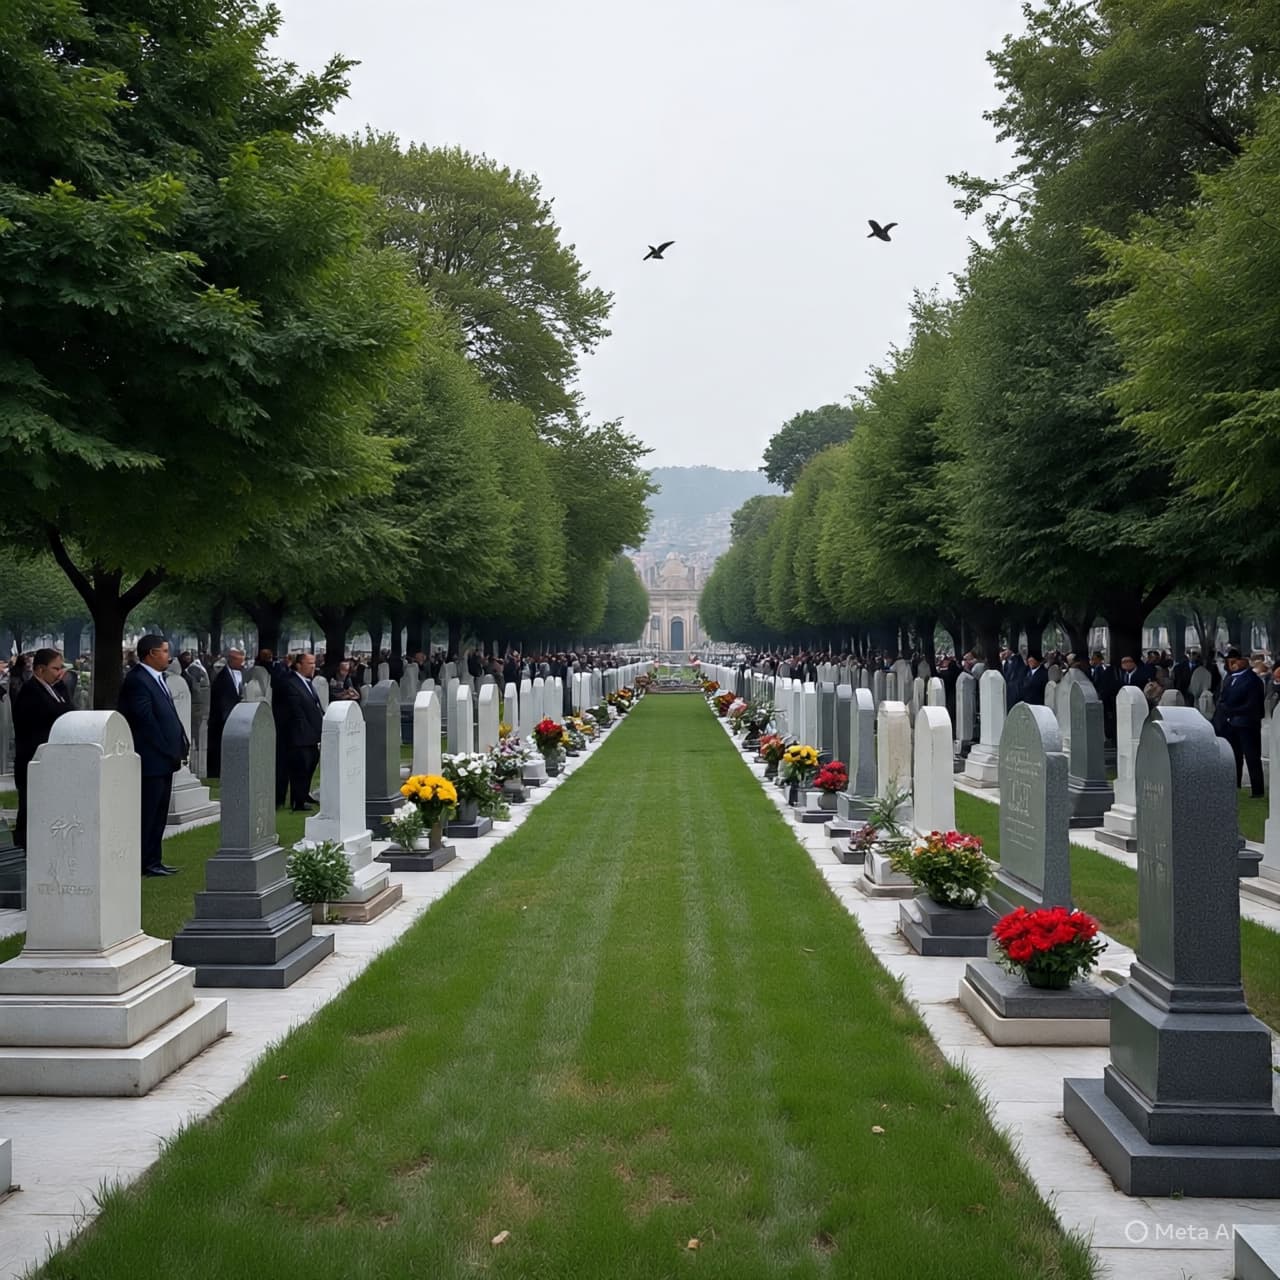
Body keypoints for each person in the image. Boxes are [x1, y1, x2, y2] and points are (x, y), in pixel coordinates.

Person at [118, 635, 187, 876]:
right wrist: (167, 748)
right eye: (165, 651)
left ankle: (154, 860)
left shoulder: (158, 679)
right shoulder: (138, 680)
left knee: (159, 815)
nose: (169, 655)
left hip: (165, 759)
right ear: (151, 654)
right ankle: (144, 862)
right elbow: (145, 721)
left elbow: (168, 714)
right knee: (148, 814)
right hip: (151, 759)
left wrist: (181, 741)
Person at [12, 648, 73, 847]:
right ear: (40, 670)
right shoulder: (31, 692)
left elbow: (68, 710)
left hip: (52, 760)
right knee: (30, 809)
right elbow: (55, 714)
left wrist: (62, 688)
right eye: (55, 668)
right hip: (32, 760)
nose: (59, 672)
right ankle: (24, 848)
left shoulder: (53, 689)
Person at [1215, 648, 1266, 797]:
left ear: (1243, 661)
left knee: (1251, 757)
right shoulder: (1230, 679)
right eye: (1229, 662)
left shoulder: (1253, 680)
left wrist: (1232, 710)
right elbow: (1222, 698)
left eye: (1235, 661)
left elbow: (1252, 704)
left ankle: (1257, 790)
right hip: (1230, 724)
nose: (1232, 664)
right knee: (1233, 756)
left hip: (1247, 724)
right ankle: (1234, 784)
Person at [280, 652, 325, 811]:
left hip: (312, 734)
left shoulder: (307, 682)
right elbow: (296, 711)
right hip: (300, 735)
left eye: (314, 663)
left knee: (310, 764)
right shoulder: (291, 683)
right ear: (299, 665)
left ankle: (303, 795)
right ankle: (297, 801)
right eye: (309, 663)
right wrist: (307, 731)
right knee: (301, 768)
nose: (313, 666)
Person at [207, 648, 246, 778]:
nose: (243, 664)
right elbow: (223, 702)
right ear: (232, 659)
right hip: (221, 720)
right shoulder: (222, 678)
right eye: (240, 661)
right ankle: (217, 772)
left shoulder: (235, 673)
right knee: (219, 750)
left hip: (230, 717)